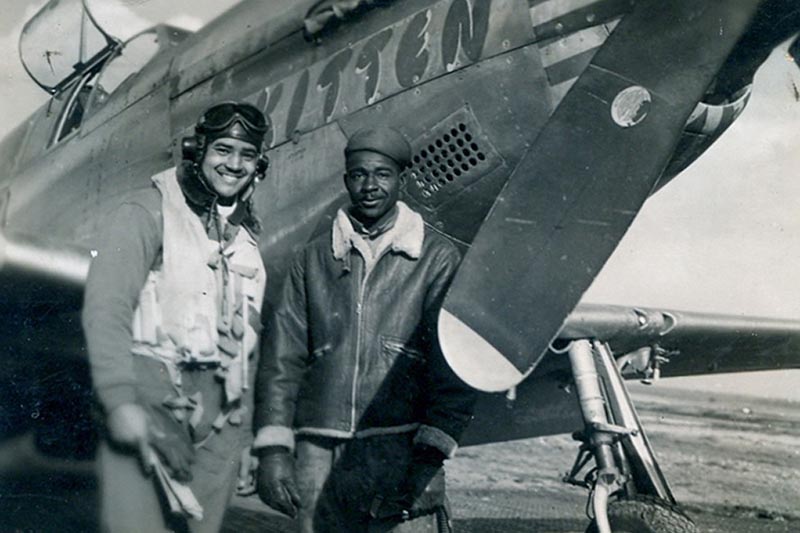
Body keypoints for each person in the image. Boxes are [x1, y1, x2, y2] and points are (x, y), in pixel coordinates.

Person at [253, 126, 476, 532]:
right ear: (346, 181)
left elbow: (454, 367)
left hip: (399, 449)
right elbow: (281, 360)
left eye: (382, 174)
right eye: (358, 175)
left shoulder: (437, 258)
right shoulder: (314, 259)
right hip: (318, 453)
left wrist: (430, 458)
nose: (369, 186)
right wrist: (272, 451)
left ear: (402, 180)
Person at [82, 101, 270, 532]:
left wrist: (242, 440)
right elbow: (106, 307)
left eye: (247, 155)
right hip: (150, 400)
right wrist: (120, 401)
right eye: (223, 149)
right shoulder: (144, 212)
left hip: (220, 422)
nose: (234, 164)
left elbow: (249, 346)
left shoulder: (246, 241)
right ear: (197, 149)